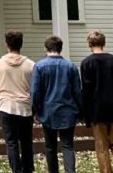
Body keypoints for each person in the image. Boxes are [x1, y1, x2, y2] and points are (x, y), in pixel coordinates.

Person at [80, 30, 113, 173]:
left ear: (89, 44)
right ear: (104, 43)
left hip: (97, 110)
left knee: (101, 146)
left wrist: (85, 113)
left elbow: (86, 91)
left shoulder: (87, 63)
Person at [31, 35, 82, 173]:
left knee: (50, 147)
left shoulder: (39, 66)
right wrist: (80, 110)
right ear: (60, 48)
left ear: (45, 48)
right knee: (68, 146)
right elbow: (77, 91)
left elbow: (35, 91)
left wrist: (35, 109)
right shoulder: (71, 67)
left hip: (48, 111)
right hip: (68, 111)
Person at [0, 30, 35, 172]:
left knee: (11, 143)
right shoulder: (31, 65)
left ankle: (16, 170)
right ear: (21, 45)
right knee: (27, 142)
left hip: (6, 106)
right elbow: (34, 88)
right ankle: (27, 169)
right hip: (25, 107)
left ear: (7, 45)